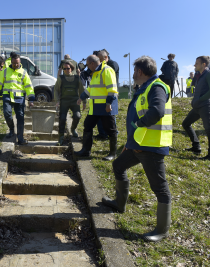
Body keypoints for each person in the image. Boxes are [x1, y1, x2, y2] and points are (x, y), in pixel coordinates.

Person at [102, 56, 172, 242]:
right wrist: (131, 141)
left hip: (150, 147)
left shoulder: (156, 87)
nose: (133, 75)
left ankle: (161, 230)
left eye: (134, 72)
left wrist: (140, 124)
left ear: (140, 72)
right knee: (118, 165)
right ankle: (119, 203)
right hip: (137, 145)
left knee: (160, 188)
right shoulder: (143, 88)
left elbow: (157, 111)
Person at [74, 55, 118, 161]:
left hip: (106, 107)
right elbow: (90, 89)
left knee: (111, 130)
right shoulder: (95, 73)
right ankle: (86, 150)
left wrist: (108, 104)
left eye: (88, 65)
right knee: (87, 125)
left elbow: (112, 89)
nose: (88, 67)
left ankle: (113, 153)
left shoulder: (107, 70)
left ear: (92, 63)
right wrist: (81, 98)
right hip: (95, 107)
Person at [182, 56, 210, 160]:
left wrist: (201, 99)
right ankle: (196, 147)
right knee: (186, 123)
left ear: (204, 64)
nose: (194, 65)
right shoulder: (199, 76)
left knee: (209, 130)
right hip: (198, 106)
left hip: (206, 106)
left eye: (197, 63)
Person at [0, 53, 35, 145]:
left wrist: (31, 99)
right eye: (14, 63)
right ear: (11, 62)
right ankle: (11, 130)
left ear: (20, 62)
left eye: (17, 63)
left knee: (20, 117)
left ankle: (20, 138)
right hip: (7, 96)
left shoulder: (23, 72)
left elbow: (29, 86)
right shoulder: (5, 71)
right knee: (7, 114)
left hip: (20, 98)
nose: (16, 65)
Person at [54, 61, 86, 145]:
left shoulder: (77, 78)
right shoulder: (61, 78)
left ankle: (73, 129)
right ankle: (60, 137)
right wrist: (57, 101)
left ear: (72, 69)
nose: (66, 70)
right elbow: (56, 90)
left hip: (75, 101)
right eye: (64, 69)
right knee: (62, 118)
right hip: (64, 101)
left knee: (77, 116)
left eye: (68, 68)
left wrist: (84, 102)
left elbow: (82, 90)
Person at [95, 50, 120, 140]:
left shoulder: (112, 65)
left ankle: (113, 134)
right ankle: (103, 134)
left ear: (106, 58)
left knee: (110, 115)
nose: (99, 62)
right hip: (102, 94)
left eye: (100, 59)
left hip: (111, 93)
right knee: (101, 116)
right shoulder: (100, 67)